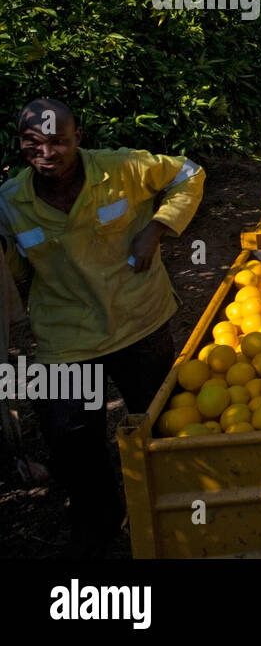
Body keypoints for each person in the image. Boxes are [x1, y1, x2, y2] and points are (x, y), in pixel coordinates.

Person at [0, 99, 204, 556]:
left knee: (157, 420)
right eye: (32, 143)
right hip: (66, 332)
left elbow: (188, 172)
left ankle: (172, 509)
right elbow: (15, 269)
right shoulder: (12, 202)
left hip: (137, 318)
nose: (46, 153)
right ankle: (99, 519)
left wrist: (157, 228)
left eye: (57, 142)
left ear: (78, 138)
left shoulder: (123, 168)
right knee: (71, 437)